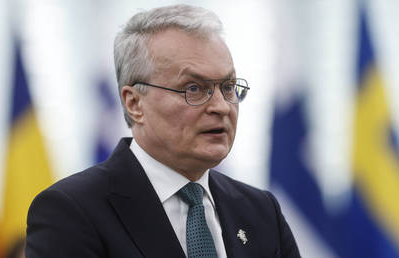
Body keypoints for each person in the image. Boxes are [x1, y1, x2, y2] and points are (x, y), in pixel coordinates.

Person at [25, 4, 300, 258]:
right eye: (194, 88)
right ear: (134, 103)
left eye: (228, 88)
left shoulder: (261, 211)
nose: (222, 107)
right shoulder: (71, 211)